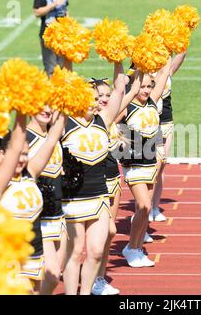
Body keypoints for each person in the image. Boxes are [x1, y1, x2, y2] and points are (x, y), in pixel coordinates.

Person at [60, 62, 126, 295]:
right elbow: (63, 82)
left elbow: (119, 89)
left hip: (99, 196)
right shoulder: (64, 123)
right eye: (86, 98)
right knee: (76, 252)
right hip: (73, 200)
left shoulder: (103, 120)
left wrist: (117, 59)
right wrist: (66, 60)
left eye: (94, 98)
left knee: (97, 251)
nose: (93, 102)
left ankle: (86, 291)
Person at [0, 112, 66, 293]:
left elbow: (51, 140)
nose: (21, 159)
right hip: (10, 253)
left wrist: (66, 106)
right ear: (3, 154)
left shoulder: (31, 173)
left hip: (35, 250)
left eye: (26, 154)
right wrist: (20, 112)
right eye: (17, 154)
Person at [89, 72, 143, 295]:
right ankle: (87, 275)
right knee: (106, 231)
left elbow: (128, 91)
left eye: (106, 95)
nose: (103, 99)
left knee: (109, 234)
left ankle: (98, 279)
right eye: (98, 96)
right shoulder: (92, 119)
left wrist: (137, 68)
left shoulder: (112, 114)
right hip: (95, 182)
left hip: (113, 179)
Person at [119, 58, 172, 268]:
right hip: (133, 164)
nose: (147, 89)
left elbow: (165, 71)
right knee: (144, 206)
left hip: (150, 163)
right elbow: (109, 120)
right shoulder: (127, 107)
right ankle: (131, 248)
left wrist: (168, 47)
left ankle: (137, 248)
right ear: (134, 86)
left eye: (150, 86)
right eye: (143, 86)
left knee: (145, 210)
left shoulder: (152, 101)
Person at [27, 107, 68, 295]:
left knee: (54, 277)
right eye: (40, 104)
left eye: (50, 104)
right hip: (40, 218)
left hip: (58, 214)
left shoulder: (52, 133)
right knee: (51, 275)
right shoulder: (25, 137)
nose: (46, 109)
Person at [151, 52, 188, 222]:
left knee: (162, 163)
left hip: (165, 121)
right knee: (153, 167)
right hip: (148, 124)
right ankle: (144, 206)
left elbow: (181, 54)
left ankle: (154, 207)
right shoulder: (142, 74)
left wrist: (182, 34)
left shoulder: (167, 71)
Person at [33, 0, 69, 76]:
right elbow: (37, 12)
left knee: (63, 68)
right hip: (48, 36)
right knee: (51, 69)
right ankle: (51, 87)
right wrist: (54, 4)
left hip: (62, 35)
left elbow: (65, 10)